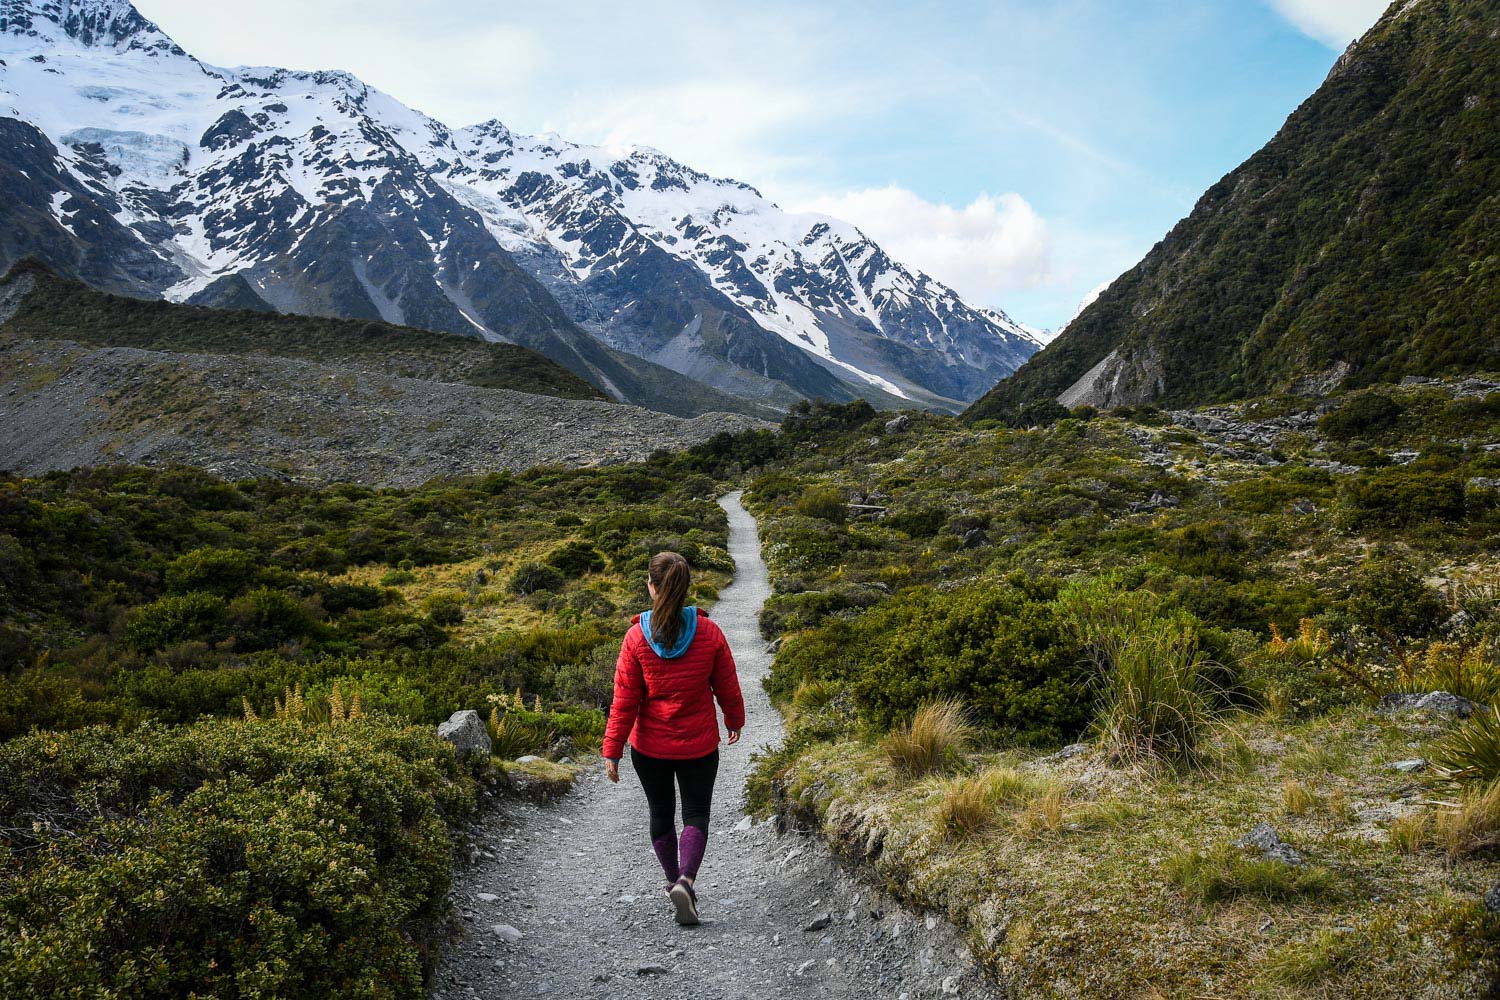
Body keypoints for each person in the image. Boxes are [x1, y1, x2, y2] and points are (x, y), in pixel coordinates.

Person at [602, 550, 745, 926]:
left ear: (651, 588)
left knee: (660, 813)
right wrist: (735, 719)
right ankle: (687, 880)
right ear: (685, 589)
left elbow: (624, 701)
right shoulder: (709, 632)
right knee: (696, 813)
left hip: (649, 748)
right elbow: (727, 686)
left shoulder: (636, 638)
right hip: (698, 745)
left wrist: (612, 750)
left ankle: (671, 882)